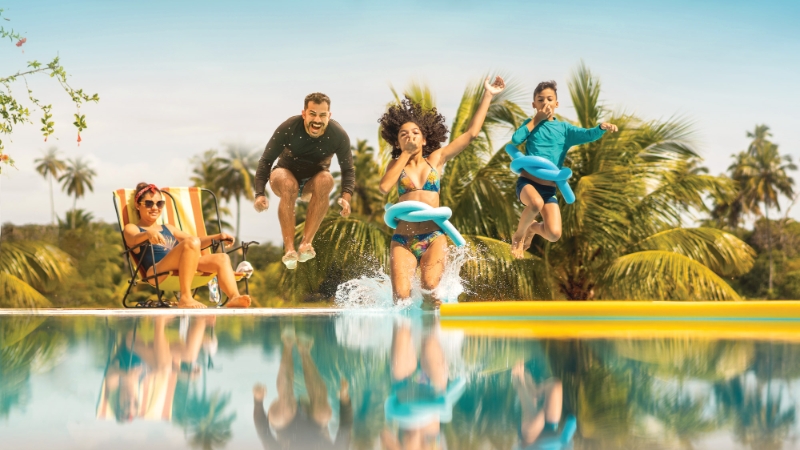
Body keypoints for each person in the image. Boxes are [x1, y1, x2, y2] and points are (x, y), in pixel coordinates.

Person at [378, 76, 505, 307]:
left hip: (433, 236)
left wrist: (487, 95)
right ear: (397, 142)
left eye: (415, 133)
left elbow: (471, 134)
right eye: (404, 134)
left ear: (425, 139)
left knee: (429, 289)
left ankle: (433, 335)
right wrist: (405, 154)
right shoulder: (396, 165)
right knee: (401, 299)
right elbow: (385, 186)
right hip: (403, 238)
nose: (410, 136)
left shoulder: (435, 160)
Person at [509, 80, 618, 259]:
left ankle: (532, 228)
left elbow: (587, 134)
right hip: (528, 183)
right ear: (534, 104)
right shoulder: (530, 124)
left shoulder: (564, 129)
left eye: (549, 99)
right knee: (535, 203)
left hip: (548, 188)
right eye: (540, 99)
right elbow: (516, 139)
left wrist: (601, 128)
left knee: (553, 234)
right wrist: (536, 120)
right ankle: (518, 236)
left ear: (556, 104)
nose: (545, 103)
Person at [253, 93, 354, 269]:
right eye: (312, 114)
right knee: (288, 184)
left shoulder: (338, 135)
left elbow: (348, 170)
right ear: (304, 113)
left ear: (329, 116)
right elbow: (266, 160)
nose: (317, 120)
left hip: (312, 182)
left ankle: (306, 244)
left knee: (327, 179)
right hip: (283, 174)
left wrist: (346, 198)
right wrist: (259, 193)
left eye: (322, 115)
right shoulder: (289, 127)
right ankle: (289, 249)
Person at [122, 182, 251, 308]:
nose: (155, 208)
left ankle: (234, 297)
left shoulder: (168, 227)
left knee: (222, 258)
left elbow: (196, 241)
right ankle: (185, 297)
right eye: (149, 203)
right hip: (156, 271)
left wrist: (217, 237)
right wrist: (148, 234)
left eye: (159, 203)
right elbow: (132, 240)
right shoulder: (132, 228)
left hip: (181, 266)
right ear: (138, 205)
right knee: (191, 243)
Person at [253, 327, 352, 449]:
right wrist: (344, 399)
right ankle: (304, 351)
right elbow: (345, 429)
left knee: (280, 414)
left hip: (285, 424)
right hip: (314, 420)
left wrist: (258, 401)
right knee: (323, 413)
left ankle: (288, 344)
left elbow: (264, 434)